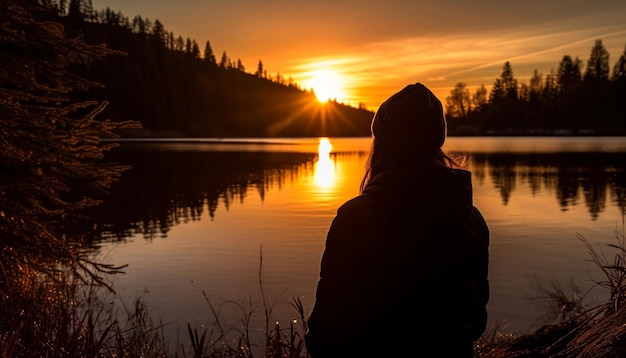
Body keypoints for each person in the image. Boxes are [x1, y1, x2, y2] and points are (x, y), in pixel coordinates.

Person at [304, 83, 489, 357]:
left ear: (382, 144)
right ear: (436, 142)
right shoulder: (471, 218)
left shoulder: (356, 218)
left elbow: (325, 332)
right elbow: (475, 323)